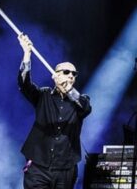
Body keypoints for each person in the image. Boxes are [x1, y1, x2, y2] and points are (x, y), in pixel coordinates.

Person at [18, 34, 92, 189]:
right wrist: (27, 55)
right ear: (56, 76)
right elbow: (25, 86)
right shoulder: (44, 95)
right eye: (66, 72)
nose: (71, 76)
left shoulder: (80, 100)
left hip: (65, 170)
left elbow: (85, 109)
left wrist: (69, 90)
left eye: (74, 74)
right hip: (38, 167)